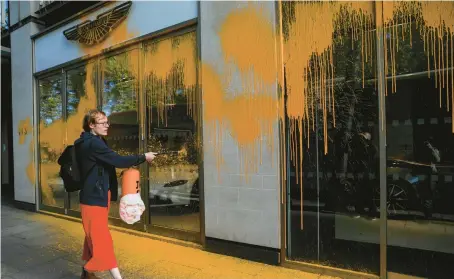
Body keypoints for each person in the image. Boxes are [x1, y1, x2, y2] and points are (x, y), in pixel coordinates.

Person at [74, 109, 156, 279]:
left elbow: (101, 166)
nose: (107, 126)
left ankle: (87, 273)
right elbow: (117, 160)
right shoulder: (93, 143)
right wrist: (143, 157)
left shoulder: (93, 141)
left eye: (107, 122)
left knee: (95, 237)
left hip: (97, 196)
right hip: (93, 199)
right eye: (102, 123)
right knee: (103, 241)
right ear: (91, 125)